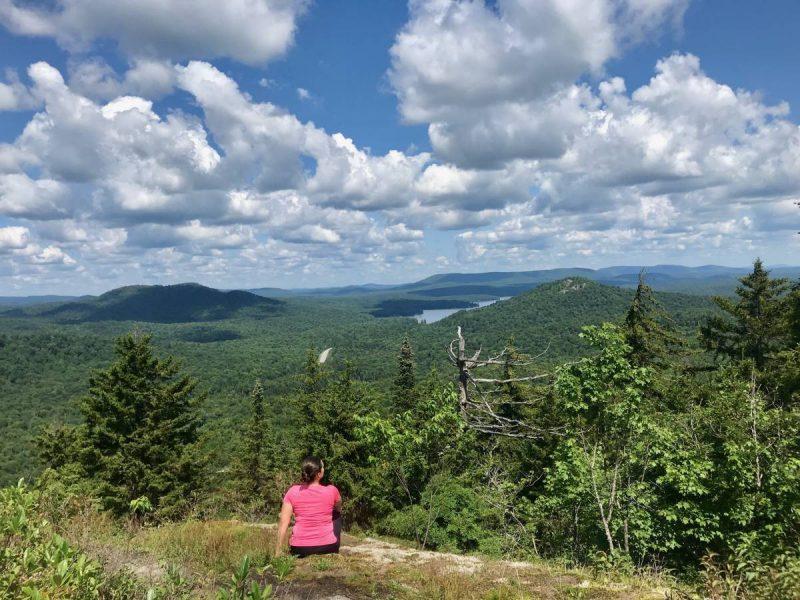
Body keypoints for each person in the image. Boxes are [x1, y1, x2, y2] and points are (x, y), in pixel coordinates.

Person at [275, 456, 342, 558]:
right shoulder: (332, 490)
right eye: (323, 467)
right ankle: (328, 539)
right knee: (336, 513)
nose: (324, 469)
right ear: (319, 474)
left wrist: (277, 551)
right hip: (328, 547)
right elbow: (338, 507)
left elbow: (284, 522)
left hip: (299, 549)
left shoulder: (293, 491)